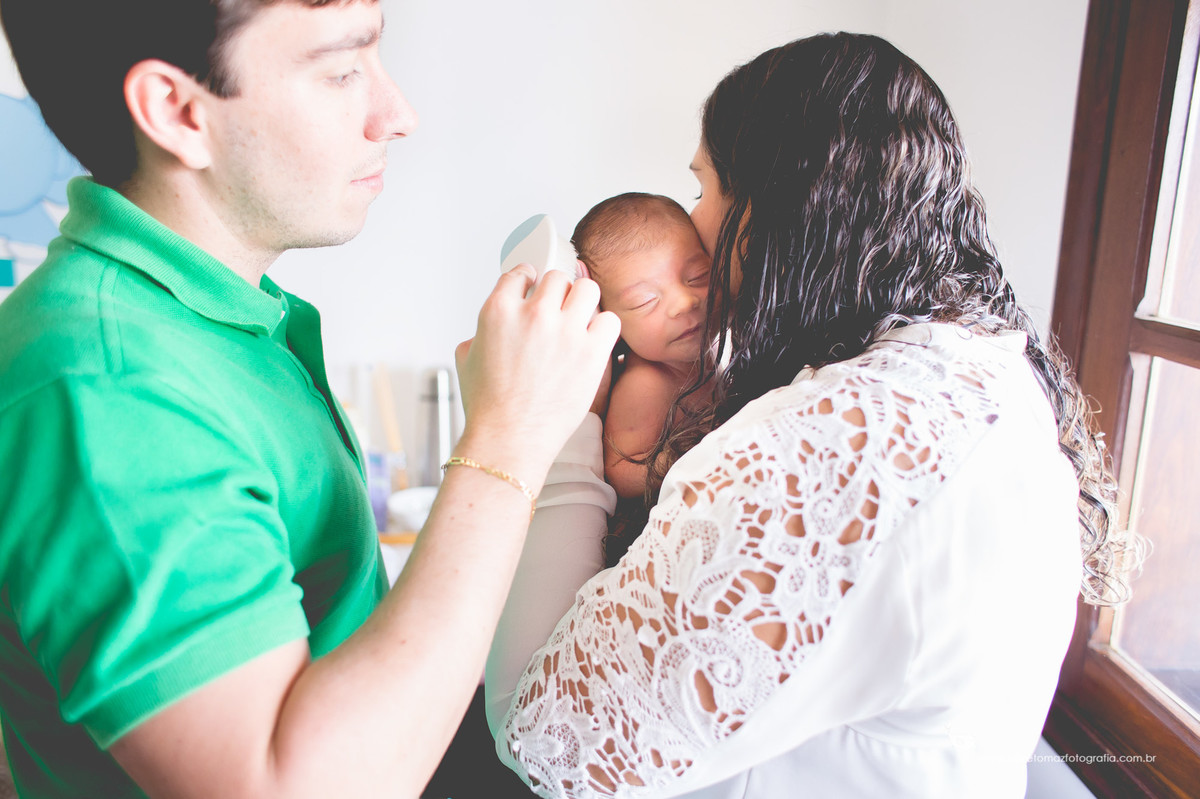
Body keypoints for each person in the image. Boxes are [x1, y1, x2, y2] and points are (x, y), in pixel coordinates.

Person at [484, 32, 1145, 798]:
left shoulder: (837, 440)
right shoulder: (980, 368)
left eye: (702, 190)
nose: (695, 223)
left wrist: (553, 413)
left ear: (771, 206)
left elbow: (546, 737)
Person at [0, 2, 618, 797]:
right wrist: (509, 434)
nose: (398, 114)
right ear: (177, 111)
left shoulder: (216, 323)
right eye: (341, 70)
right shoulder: (107, 389)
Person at [571, 193, 713, 501]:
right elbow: (621, 472)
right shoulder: (645, 384)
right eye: (645, 301)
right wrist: (693, 455)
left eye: (698, 277)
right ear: (610, 322)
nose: (685, 302)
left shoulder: (708, 352)